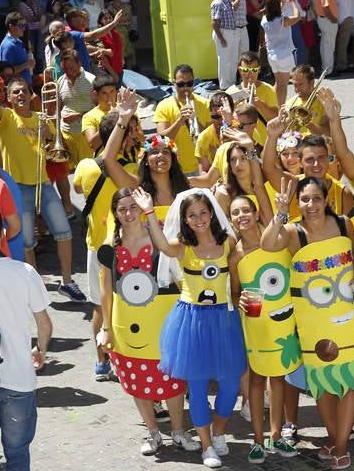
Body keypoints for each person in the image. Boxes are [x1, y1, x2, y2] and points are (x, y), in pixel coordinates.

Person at [261, 176, 354, 470]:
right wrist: (279, 212)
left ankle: (342, 446)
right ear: (297, 202)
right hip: (313, 321)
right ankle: (334, 437)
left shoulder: (344, 224)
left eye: (317, 198)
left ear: (326, 199)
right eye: (305, 199)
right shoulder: (292, 232)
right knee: (323, 383)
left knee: (352, 378)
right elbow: (267, 245)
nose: (311, 205)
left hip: (350, 314)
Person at [137, 187, 245, 469]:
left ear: (211, 214)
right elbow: (161, 245)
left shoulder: (228, 242)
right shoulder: (181, 245)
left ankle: (219, 431)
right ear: (185, 219)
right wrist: (149, 212)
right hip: (192, 321)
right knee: (196, 388)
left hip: (224, 319)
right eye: (192, 215)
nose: (199, 219)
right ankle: (207, 446)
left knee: (231, 385)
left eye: (203, 213)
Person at [97, 188, 200, 455]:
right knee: (137, 380)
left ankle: (178, 431)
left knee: (173, 382)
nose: (129, 213)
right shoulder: (111, 247)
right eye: (122, 209)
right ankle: (153, 432)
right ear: (116, 214)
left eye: (133, 207)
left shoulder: (159, 237)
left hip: (164, 323)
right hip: (125, 325)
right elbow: (107, 290)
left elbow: (181, 278)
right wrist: (106, 328)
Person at [0, 54, 86, 301]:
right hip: (18, 187)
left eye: (24, 91)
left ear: (30, 93)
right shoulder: (5, 117)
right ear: (8, 97)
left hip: (44, 185)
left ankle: (67, 282)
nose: (21, 95)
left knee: (64, 232)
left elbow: (53, 148)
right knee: (27, 242)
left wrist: (51, 141)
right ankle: (34, 285)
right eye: (15, 92)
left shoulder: (40, 119)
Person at [0, 202, 52, 471]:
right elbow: (45, 324)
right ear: (3, 233)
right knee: (17, 453)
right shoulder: (24, 272)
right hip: (19, 375)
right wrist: (41, 350)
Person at [231, 193, 301, 464]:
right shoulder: (235, 255)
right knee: (258, 379)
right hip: (255, 322)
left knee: (279, 375)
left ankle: (276, 434)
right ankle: (258, 440)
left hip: (283, 318)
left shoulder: (276, 239)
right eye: (235, 213)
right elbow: (235, 291)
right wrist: (240, 300)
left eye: (245, 210)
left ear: (256, 211)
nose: (241, 216)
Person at [73, 108, 140, 381]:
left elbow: (77, 189)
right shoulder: (132, 168)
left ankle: (101, 361)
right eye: (131, 131)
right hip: (125, 246)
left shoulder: (85, 166)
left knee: (100, 306)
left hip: (95, 246)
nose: (136, 135)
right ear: (120, 137)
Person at [153, 64, 211, 175]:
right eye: (180, 84)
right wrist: (180, 121)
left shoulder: (205, 103)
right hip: (175, 167)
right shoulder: (164, 105)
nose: (185, 88)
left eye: (189, 84)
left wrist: (195, 121)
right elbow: (161, 140)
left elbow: (211, 137)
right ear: (173, 83)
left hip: (201, 165)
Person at [225, 51, 279, 146]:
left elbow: (275, 117)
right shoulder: (230, 92)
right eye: (245, 70)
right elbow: (225, 120)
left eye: (254, 70)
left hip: (263, 142)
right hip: (238, 140)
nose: (250, 74)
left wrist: (261, 105)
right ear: (240, 70)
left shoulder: (268, 89)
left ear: (259, 70)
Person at [57, 49, 96, 167]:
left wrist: (78, 115)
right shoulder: (60, 81)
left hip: (86, 134)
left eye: (72, 68)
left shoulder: (91, 80)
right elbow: (57, 109)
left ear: (79, 64)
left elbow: (100, 108)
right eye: (66, 69)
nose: (70, 72)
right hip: (66, 134)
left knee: (88, 169)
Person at [261, 0, 300, 106]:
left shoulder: (264, 20)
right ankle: (281, 110)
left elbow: (274, 12)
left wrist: (284, 2)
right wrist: (293, 1)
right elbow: (297, 16)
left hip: (272, 56)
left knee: (278, 83)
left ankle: (271, 105)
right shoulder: (283, 20)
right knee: (283, 85)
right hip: (284, 56)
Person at [211, 0, 248, 91]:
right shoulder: (217, 3)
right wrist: (221, 38)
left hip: (231, 31)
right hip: (223, 32)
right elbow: (214, 23)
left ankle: (231, 83)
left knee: (233, 58)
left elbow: (233, 7)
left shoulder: (227, 1)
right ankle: (224, 85)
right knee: (224, 59)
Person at [286, 64, 329, 135]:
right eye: (295, 85)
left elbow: (328, 133)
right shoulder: (290, 103)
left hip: (316, 144)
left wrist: (308, 123)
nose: (297, 89)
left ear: (311, 83)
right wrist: (283, 122)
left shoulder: (323, 102)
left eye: (300, 84)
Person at [0, 13, 35, 85]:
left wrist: (30, 64)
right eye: (21, 26)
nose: (24, 29)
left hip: (25, 85)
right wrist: (26, 64)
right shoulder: (8, 46)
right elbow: (6, 73)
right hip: (16, 88)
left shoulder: (19, 41)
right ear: (11, 26)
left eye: (24, 26)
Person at [315, 0, 339, 76]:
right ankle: (329, 70)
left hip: (323, 20)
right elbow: (326, 7)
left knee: (325, 45)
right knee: (329, 46)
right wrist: (333, 19)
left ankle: (326, 68)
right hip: (327, 20)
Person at [19, 0, 45, 74]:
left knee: (39, 51)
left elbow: (41, 13)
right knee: (32, 50)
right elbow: (29, 18)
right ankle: (33, 71)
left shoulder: (34, 3)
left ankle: (40, 71)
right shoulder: (22, 5)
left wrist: (36, 3)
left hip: (38, 29)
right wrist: (37, 17)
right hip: (30, 30)